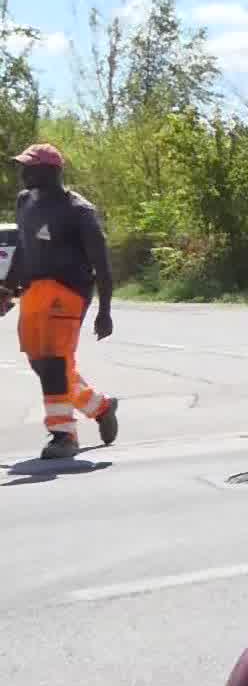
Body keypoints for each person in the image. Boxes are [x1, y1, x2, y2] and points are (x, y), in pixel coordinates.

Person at [3, 143, 119, 460]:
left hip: (68, 293)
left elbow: (102, 265)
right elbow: (24, 251)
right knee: (41, 364)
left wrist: (104, 311)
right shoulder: (25, 202)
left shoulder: (79, 210)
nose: (23, 172)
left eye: (29, 166)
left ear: (50, 171)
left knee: (55, 360)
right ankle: (100, 406)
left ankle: (63, 435)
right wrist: (7, 291)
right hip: (34, 292)